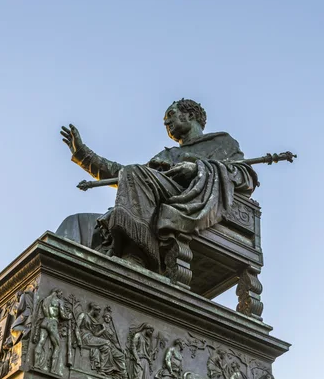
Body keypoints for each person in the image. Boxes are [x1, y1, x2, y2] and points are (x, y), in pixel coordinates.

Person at [60, 99, 257, 272]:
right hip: (154, 205)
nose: (166, 122)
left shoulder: (221, 142)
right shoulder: (168, 154)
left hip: (190, 200)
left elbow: (244, 176)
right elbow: (121, 173)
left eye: (171, 115)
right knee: (76, 224)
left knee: (134, 173)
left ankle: (137, 254)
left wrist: (197, 168)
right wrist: (83, 154)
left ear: (189, 115)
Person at [33, 288, 70, 376]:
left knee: (41, 342)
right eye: (61, 292)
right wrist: (69, 316)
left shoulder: (45, 299)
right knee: (57, 346)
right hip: (53, 323)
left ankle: (36, 364)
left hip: (45, 321)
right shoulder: (59, 301)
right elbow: (63, 315)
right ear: (56, 292)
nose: (62, 294)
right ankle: (53, 370)